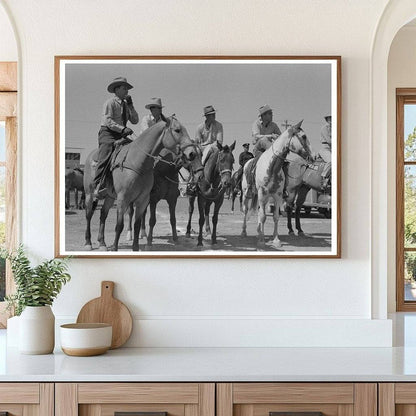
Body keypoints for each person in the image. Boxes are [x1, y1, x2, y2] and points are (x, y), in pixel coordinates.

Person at [93, 77, 139, 199]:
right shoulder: (110, 103)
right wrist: (123, 129)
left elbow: (135, 120)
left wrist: (131, 105)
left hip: (121, 134)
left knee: (135, 151)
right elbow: (107, 120)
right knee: (106, 154)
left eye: (127, 89)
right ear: (117, 89)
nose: (127, 91)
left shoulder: (126, 105)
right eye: (125, 88)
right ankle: (98, 185)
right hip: (108, 133)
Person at [246, 105, 281, 196]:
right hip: (259, 149)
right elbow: (257, 136)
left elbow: (280, 137)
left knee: (281, 161)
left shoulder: (274, 125)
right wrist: (271, 136)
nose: (272, 115)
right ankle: (250, 184)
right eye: (270, 113)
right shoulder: (256, 124)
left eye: (271, 113)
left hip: (269, 149)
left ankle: (282, 185)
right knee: (263, 140)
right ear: (264, 115)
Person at [319, 114, 332, 190]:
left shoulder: (334, 128)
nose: (331, 120)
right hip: (325, 148)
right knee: (331, 161)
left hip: (333, 149)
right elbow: (329, 141)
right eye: (329, 119)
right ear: (327, 120)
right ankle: (324, 177)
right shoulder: (324, 128)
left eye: (332, 118)